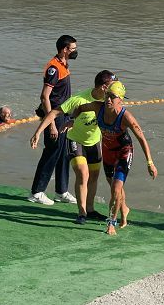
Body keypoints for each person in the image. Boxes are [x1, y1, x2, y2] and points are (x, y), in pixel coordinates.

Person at [40, 81, 157, 235]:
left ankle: (111, 223)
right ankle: (124, 209)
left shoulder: (126, 117)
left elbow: (142, 139)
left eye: (112, 97)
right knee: (114, 186)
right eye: (107, 95)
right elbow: (80, 108)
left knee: (116, 187)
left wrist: (150, 163)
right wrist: (73, 120)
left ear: (120, 100)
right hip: (107, 152)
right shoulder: (97, 106)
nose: (108, 99)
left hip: (124, 152)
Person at [30, 70, 116, 224]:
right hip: (75, 140)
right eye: (111, 86)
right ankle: (81, 212)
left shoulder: (109, 101)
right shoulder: (78, 99)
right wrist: (38, 132)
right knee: (83, 174)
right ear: (103, 87)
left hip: (95, 142)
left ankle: (90, 210)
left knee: (94, 176)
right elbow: (54, 113)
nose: (114, 90)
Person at [28, 35, 78, 205]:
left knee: (64, 153)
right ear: (64, 49)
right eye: (72, 49)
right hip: (54, 116)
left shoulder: (64, 65)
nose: (75, 51)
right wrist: (50, 124)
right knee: (51, 153)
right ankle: (37, 191)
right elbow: (45, 96)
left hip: (64, 115)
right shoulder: (54, 68)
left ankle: (61, 191)